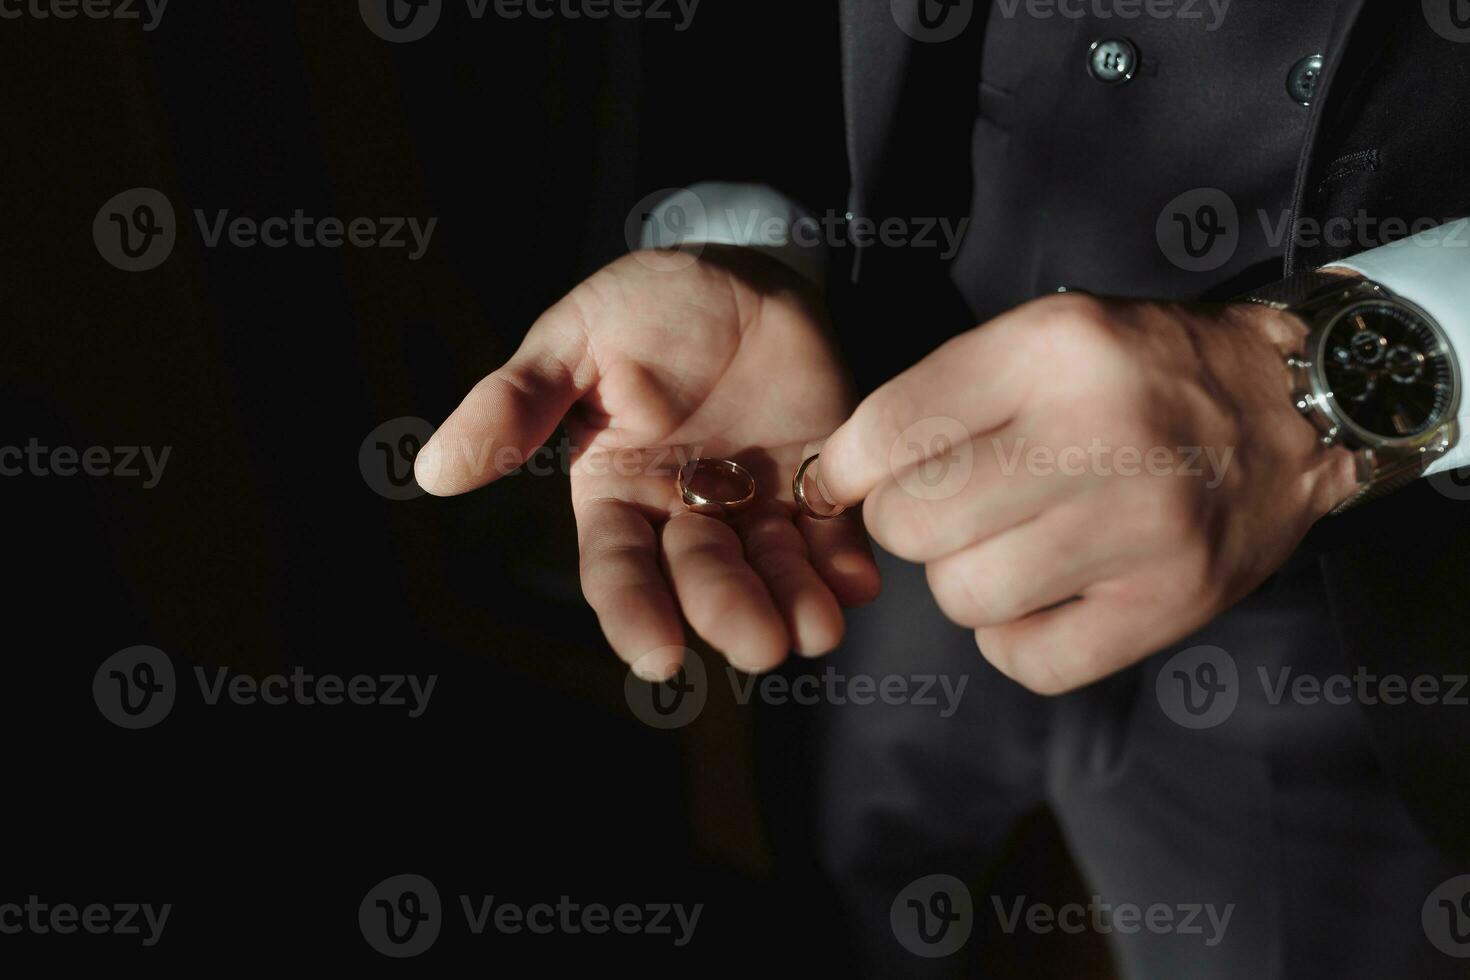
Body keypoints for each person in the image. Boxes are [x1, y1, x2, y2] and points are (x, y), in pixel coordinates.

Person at [414, 2, 1470, 975]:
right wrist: (747, 241)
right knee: (854, 875)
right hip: (863, 483)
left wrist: (1325, 383)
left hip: (1361, 626)